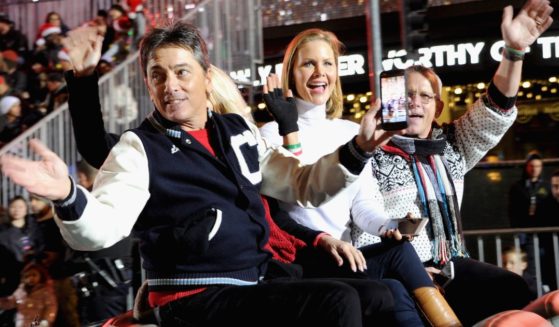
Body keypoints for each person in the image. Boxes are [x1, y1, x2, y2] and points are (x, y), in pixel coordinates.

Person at [1, 21, 395, 326]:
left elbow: (301, 183)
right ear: (149, 85)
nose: (170, 85)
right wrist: (68, 195)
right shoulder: (140, 147)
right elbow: (103, 225)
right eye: (158, 75)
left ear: (207, 78)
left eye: (181, 72)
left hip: (253, 281)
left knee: (378, 294)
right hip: (191, 298)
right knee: (338, 301)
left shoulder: (237, 132)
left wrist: (358, 149)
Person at [350, 0, 553, 325]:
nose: (414, 101)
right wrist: (413, 268)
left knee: (511, 288)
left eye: (423, 96)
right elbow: (363, 225)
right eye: (404, 95)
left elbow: (495, 111)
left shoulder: (452, 146)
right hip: (398, 270)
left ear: (438, 105)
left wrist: (514, 52)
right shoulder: (367, 152)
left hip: (452, 264)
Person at [259, 28, 459, 326]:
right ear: (291, 73)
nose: (319, 72)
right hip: (303, 258)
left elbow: (363, 204)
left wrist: (389, 226)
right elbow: (297, 189)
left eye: (328, 63)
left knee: (396, 265)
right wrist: (290, 129)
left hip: (346, 257)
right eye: (308, 64)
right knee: (393, 279)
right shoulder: (271, 133)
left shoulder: (350, 132)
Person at [0, 262, 57, 327]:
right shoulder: (20, 291)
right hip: (21, 323)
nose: (30, 278)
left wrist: (46, 321)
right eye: (27, 276)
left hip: (37, 322)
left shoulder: (45, 291)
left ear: (41, 275)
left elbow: (51, 306)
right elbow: (10, 302)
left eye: (34, 275)